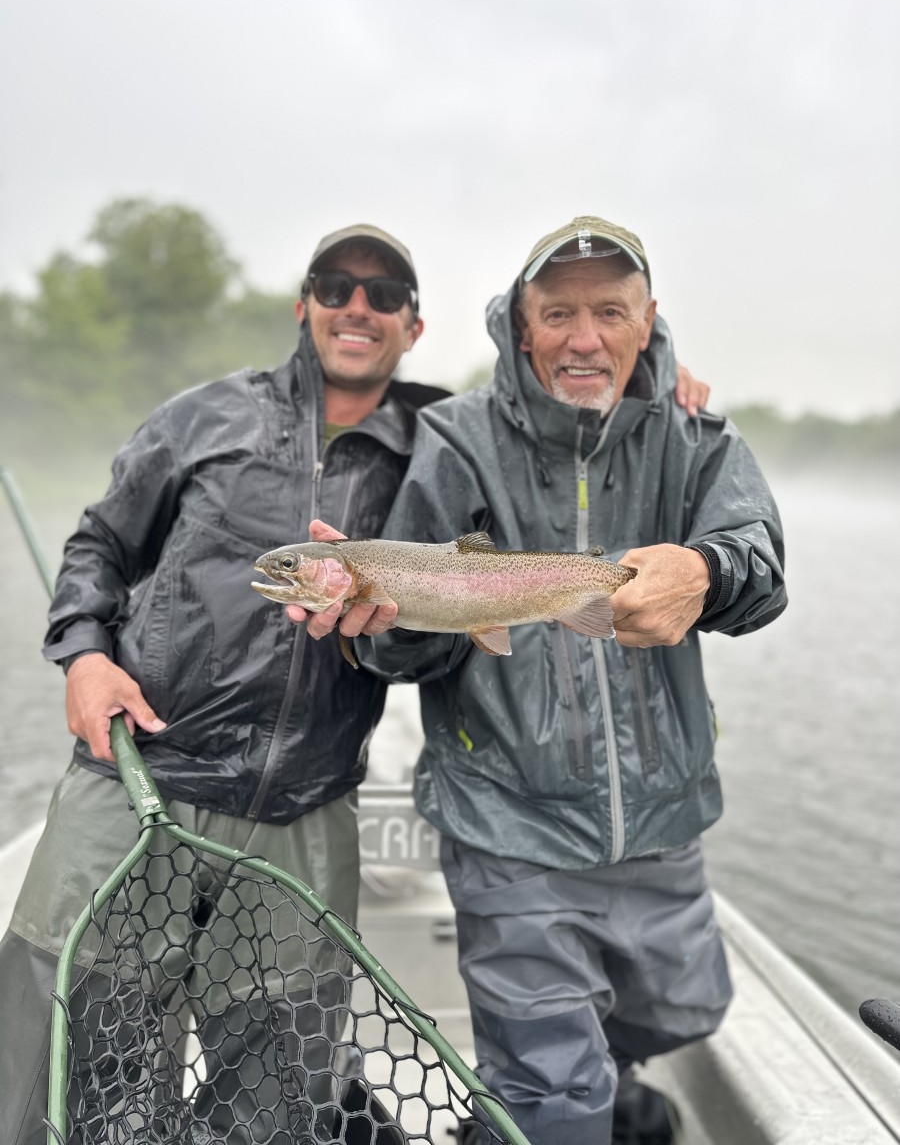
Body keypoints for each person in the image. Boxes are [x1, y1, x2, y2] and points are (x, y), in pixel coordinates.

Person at [0, 215, 708, 1145]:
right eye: (336, 286)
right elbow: (98, 542)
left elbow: (564, 385)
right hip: (133, 777)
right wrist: (84, 652)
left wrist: (662, 372)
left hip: (307, 805)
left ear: (414, 327)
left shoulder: (440, 438)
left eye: (386, 295)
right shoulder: (203, 415)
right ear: (304, 306)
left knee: (278, 1085)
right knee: (55, 1056)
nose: (358, 307)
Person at [294, 214, 787, 1145]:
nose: (585, 337)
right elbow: (412, 651)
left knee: (679, 1014)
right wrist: (382, 631)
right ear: (521, 326)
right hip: (506, 819)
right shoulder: (456, 437)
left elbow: (760, 564)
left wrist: (708, 572)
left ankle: (595, 1083)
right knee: (551, 1092)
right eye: (557, 313)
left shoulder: (697, 437)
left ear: (648, 321)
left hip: (663, 818)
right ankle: (540, 1108)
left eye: (610, 310)